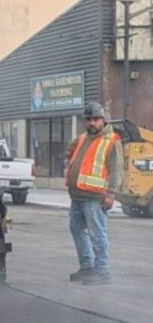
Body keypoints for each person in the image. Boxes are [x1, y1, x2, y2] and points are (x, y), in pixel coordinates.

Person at [65, 102, 123, 285]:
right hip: (77, 196)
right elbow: (70, 151)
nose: (91, 122)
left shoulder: (112, 141)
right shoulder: (83, 138)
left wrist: (111, 193)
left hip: (95, 198)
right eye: (88, 119)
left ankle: (102, 271)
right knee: (77, 230)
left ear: (103, 120)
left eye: (95, 119)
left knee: (97, 234)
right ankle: (87, 267)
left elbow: (116, 170)